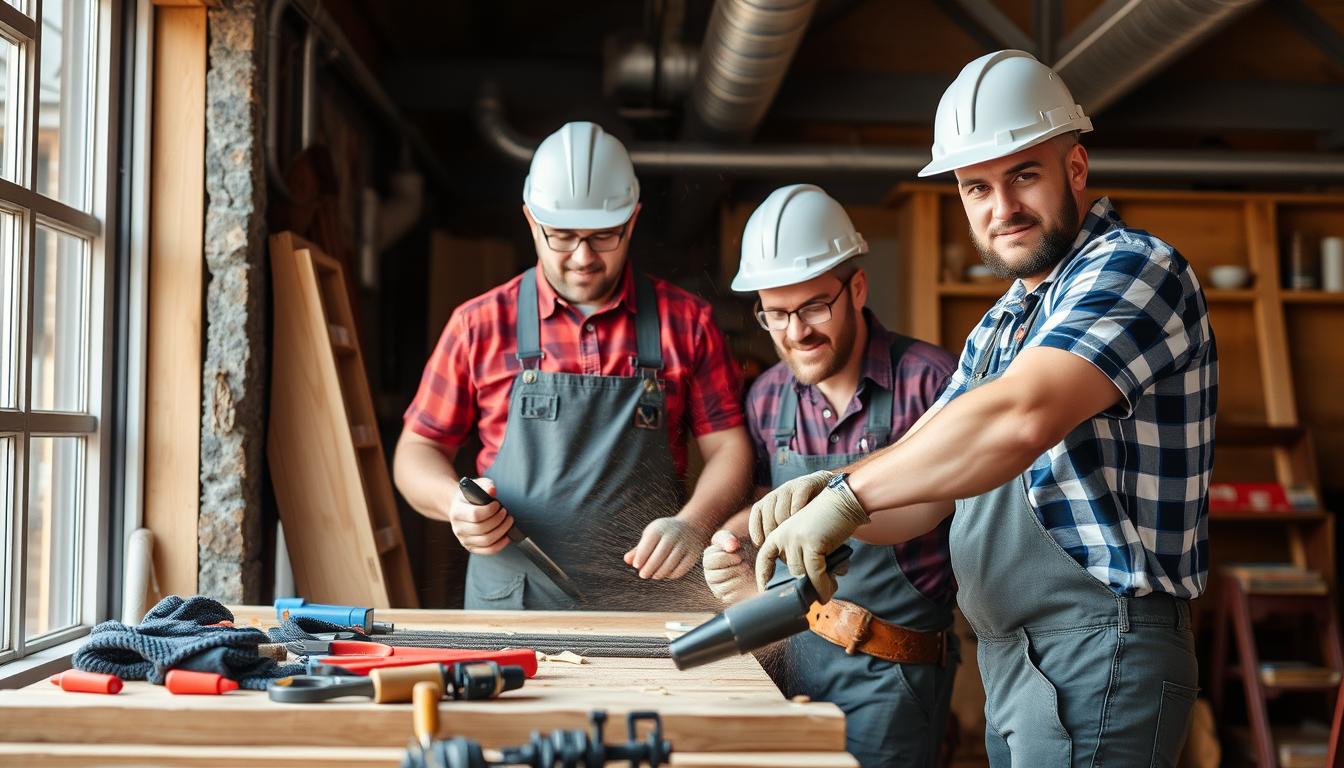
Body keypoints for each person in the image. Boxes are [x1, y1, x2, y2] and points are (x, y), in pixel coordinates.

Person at [749, 50, 1217, 766]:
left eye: (1023, 175)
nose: (1002, 209)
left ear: (1076, 169)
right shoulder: (1006, 319)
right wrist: (813, 504)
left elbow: (1020, 417)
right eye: (976, 188)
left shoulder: (1132, 267)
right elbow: (927, 485)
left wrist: (846, 495)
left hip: (1101, 647)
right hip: (1013, 657)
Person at [394, 121, 753, 610]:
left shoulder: (687, 323)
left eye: (604, 236)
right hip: (512, 602)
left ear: (633, 220)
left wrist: (694, 523)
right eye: (562, 236)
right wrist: (453, 504)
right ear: (530, 220)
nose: (583, 258)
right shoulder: (478, 324)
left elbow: (730, 448)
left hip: (644, 601)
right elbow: (416, 450)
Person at [702, 184, 959, 768]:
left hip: (894, 673)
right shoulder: (766, 397)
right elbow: (772, 506)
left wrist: (844, 505)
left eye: (814, 306)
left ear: (857, 288)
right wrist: (731, 542)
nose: (795, 332)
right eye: (776, 314)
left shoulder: (933, 383)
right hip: (788, 661)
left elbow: (949, 506)